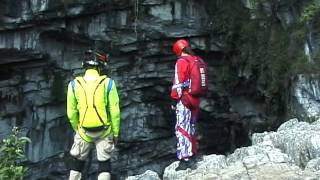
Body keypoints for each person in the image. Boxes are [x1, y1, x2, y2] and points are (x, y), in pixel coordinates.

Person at [66, 50, 120, 180]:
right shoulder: (108, 83)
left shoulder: (74, 85)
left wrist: (77, 129)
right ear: (99, 66)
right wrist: (116, 132)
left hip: (83, 131)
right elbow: (114, 111)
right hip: (104, 131)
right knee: (104, 164)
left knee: (77, 164)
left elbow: (71, 112)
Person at [171, 39, 205, 169]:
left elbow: (178, 84)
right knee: (192, 127)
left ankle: (185, 159)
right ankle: (194, 153)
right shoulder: (197, 60)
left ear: (178, 51)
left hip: (184, 100)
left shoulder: (181, 62)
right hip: (196, 99)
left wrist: (174, 100)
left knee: (181, 128)